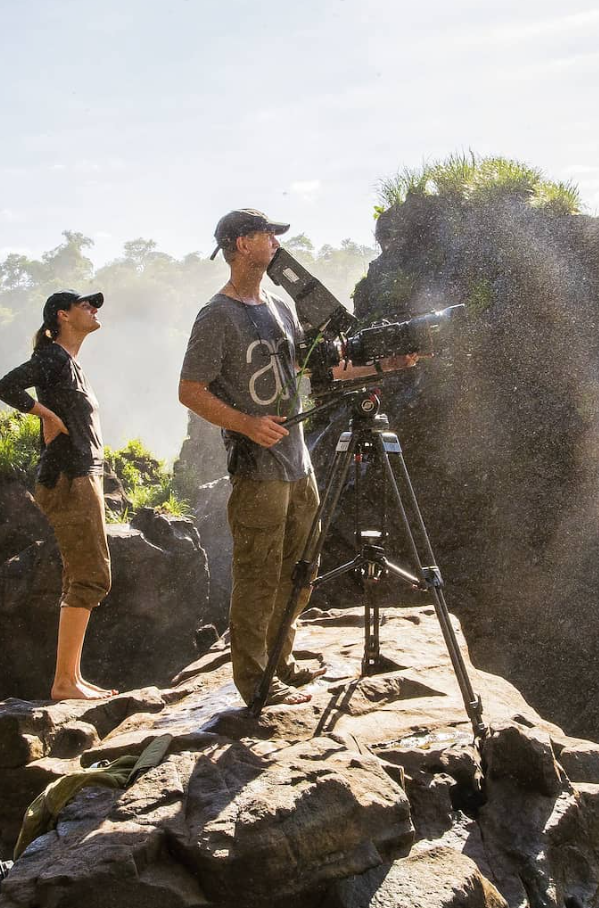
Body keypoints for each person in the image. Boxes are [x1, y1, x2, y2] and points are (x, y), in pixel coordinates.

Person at [179, 209, 413, 707]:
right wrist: (244, 423)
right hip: (256, 469)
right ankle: (255, 686)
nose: (275, 243)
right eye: (267, 235)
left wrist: (386, 363)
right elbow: (189, 390)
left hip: (296, 461)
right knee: (258, 575)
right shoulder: (216, 315)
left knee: (300, 570)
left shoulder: (281, 306)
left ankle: (280, 662)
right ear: (242, 243)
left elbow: (320, 373)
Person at [0, 289, 115, 701]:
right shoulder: (52, 358)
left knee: (81, 574)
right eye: (86, 305)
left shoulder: (69, 364)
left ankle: (72, 678)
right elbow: (6, 386)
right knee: (91, 575)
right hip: (70, 478)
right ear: (62, 315)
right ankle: (65, 682)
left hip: (81, 476)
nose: (94, 309)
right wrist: (44, 414)